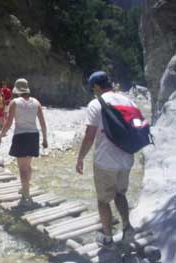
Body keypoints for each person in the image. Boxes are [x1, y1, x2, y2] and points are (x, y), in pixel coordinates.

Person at [76, 71, 135, 249]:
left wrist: (80, 158)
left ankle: (107, 239)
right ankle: (126, 227)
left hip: (105, 161)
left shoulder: (96, 104)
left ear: (96, 86)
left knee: (103, 201)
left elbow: (89, 136)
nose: (92, 91)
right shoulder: (128, 101)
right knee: (120, 194)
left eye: (92, 88)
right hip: (126, 158)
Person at [0, 78, 48, 208]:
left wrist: (0, 136)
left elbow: (8, 123)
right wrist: (45, 138)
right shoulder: (36, 102)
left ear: (17, 90)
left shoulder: (15, 102)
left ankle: (26, 195)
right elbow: (42, 122)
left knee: (22, 169)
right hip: (33, 136)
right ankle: (25, 189)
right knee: (28, 166)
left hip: (21, 136)